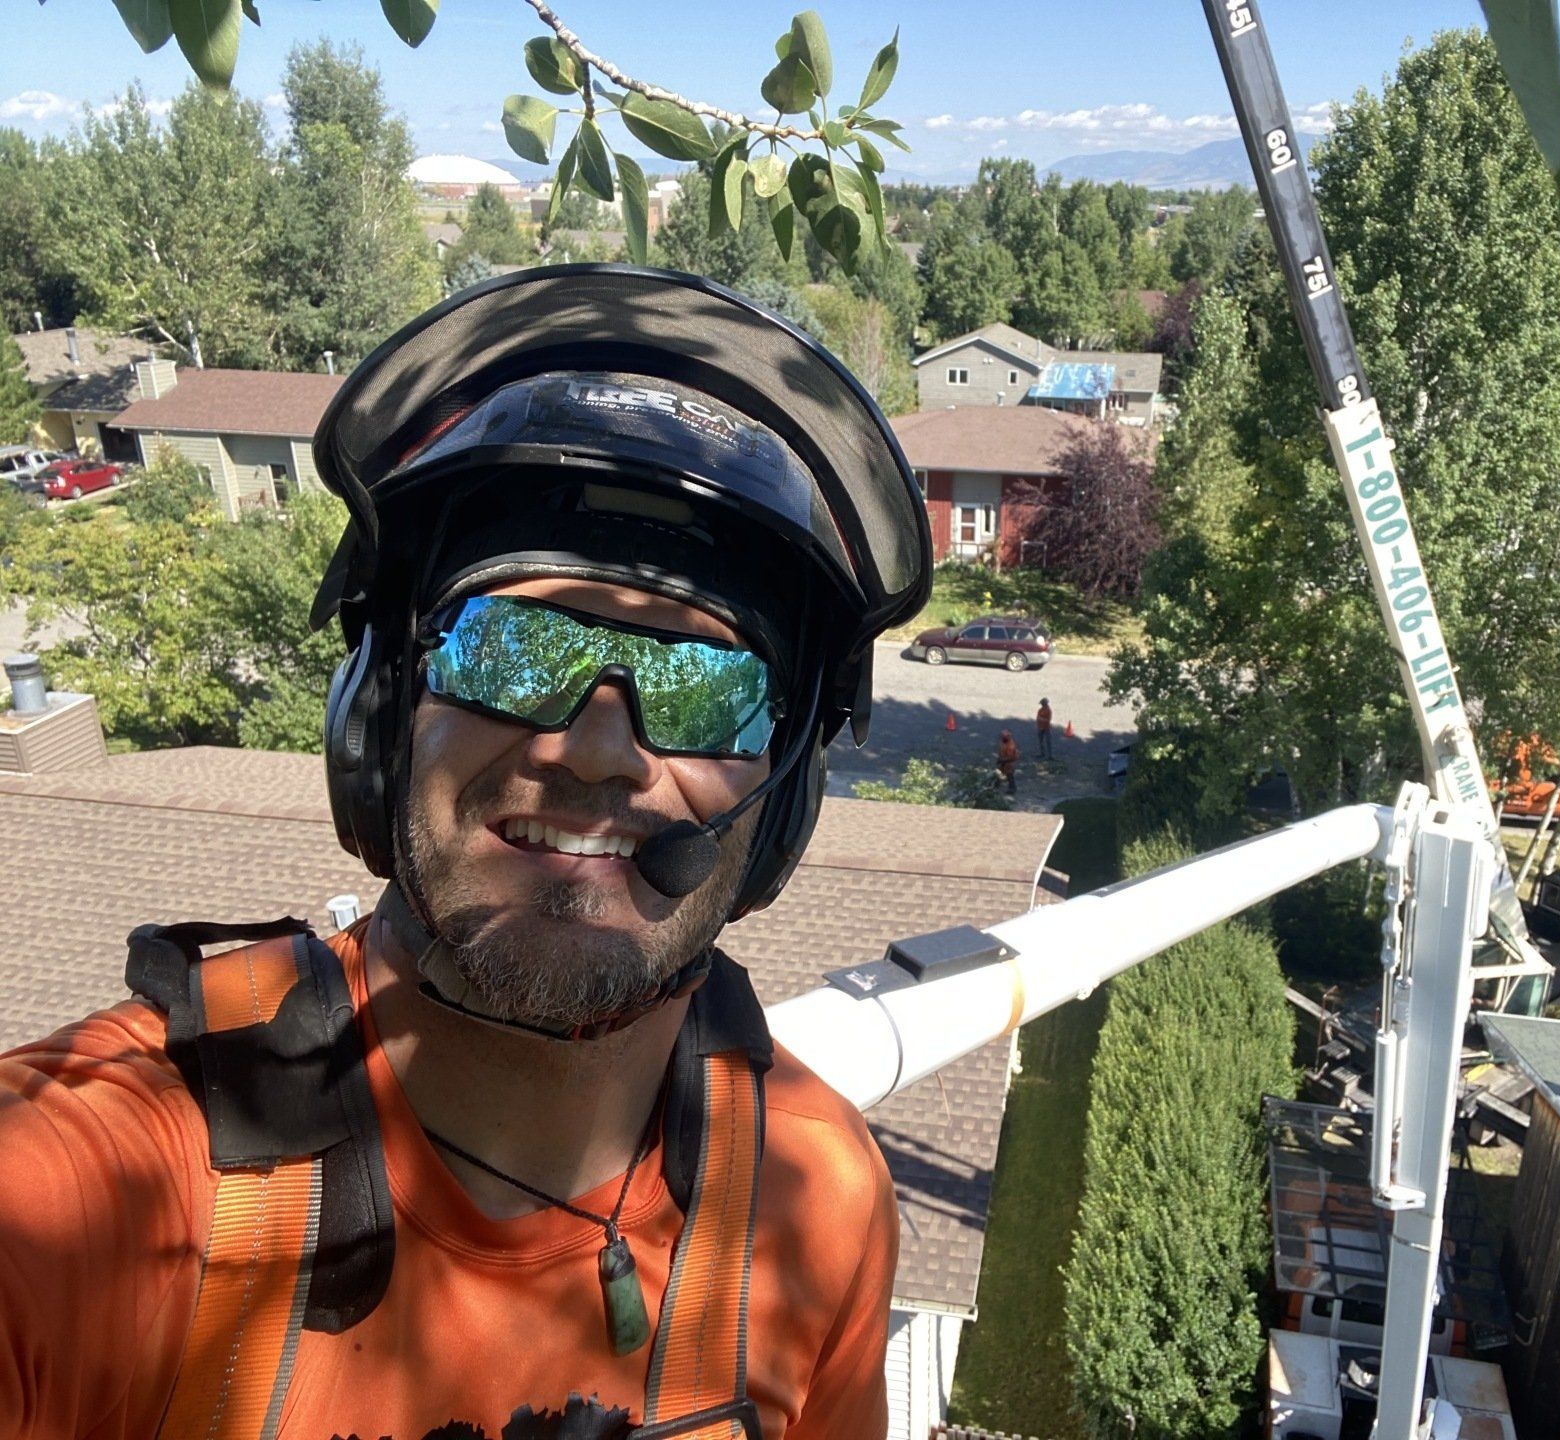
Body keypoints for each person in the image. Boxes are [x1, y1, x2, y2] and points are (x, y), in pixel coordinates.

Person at [0, 267, 934, 1440]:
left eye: (707, 685)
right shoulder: (98, 1191)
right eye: (509, 647)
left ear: (781, 804)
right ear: (381, 716)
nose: (598, 750)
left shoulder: (819, 1201)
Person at [996, 729, 1020, 796]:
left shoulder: (1010, 746)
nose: (1002, 738)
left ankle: (1012, 788)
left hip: (1010, 762)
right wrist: (1000, 758)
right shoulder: (1003, 742)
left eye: (1003, 737)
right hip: (1004, 760)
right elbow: (1001, 750)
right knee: (999, 772)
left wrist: (1002, 760)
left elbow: (1011, 757)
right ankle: (996, 783)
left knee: (1009, 775)